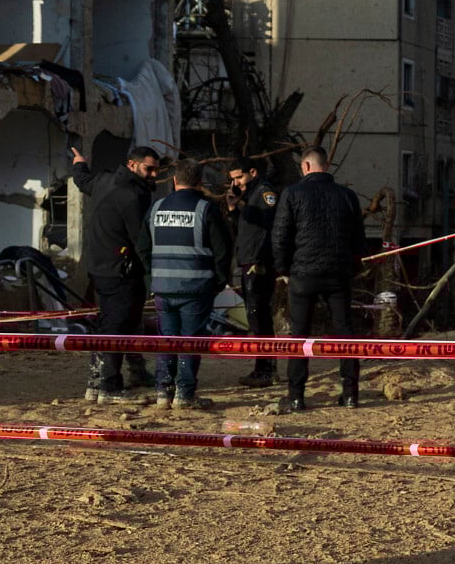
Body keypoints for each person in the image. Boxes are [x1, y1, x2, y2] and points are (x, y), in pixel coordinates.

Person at [270, 146, 366, 412]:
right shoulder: (347, 196)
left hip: (302, 273)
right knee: (345, 333)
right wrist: (352, 267)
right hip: (338, 273)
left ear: (306, 167)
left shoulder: (292, 193)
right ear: (326, 165)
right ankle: (350, 394)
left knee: (299, 334)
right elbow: (359, 237)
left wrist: (284, 270)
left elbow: (280, 237)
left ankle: (297, 395)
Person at [134, 159, 232, 410]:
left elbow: (142, 247)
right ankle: (185, 395)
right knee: (190, 341)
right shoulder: (205, 209)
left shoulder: (156, 208)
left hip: (163, 288)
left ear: (175, 180)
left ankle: (163, 392)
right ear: (200, 182)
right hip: (196, 288)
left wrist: (152, 277)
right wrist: (218, 282)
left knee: (166, 339)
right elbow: (223, 250)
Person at [71, 144, 163, 403]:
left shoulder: (104, 180)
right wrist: (152, 278)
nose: (154, 174)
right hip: (121, 271)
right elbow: (141, 241)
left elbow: (82, 180)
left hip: (100, 268)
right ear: (132, 165)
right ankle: (108, 386)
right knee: (116, 325)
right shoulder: (134, 196)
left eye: (156, 169)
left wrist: (79, 163)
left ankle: (122, 375)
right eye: (149, 169)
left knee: (121, 322)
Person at [225, 159, 281, 387]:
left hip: (259, 263)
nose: (235, 182)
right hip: (248, 261)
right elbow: (244, 229)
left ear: (253, 172)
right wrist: (233, 208)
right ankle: (264, 367)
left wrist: (261, 260)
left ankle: (265, 369)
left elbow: (268, 226)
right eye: (233, 179)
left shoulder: (265, 193)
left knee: (259, 316)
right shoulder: (250, 197)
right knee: (254, 315)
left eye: (239, 177)